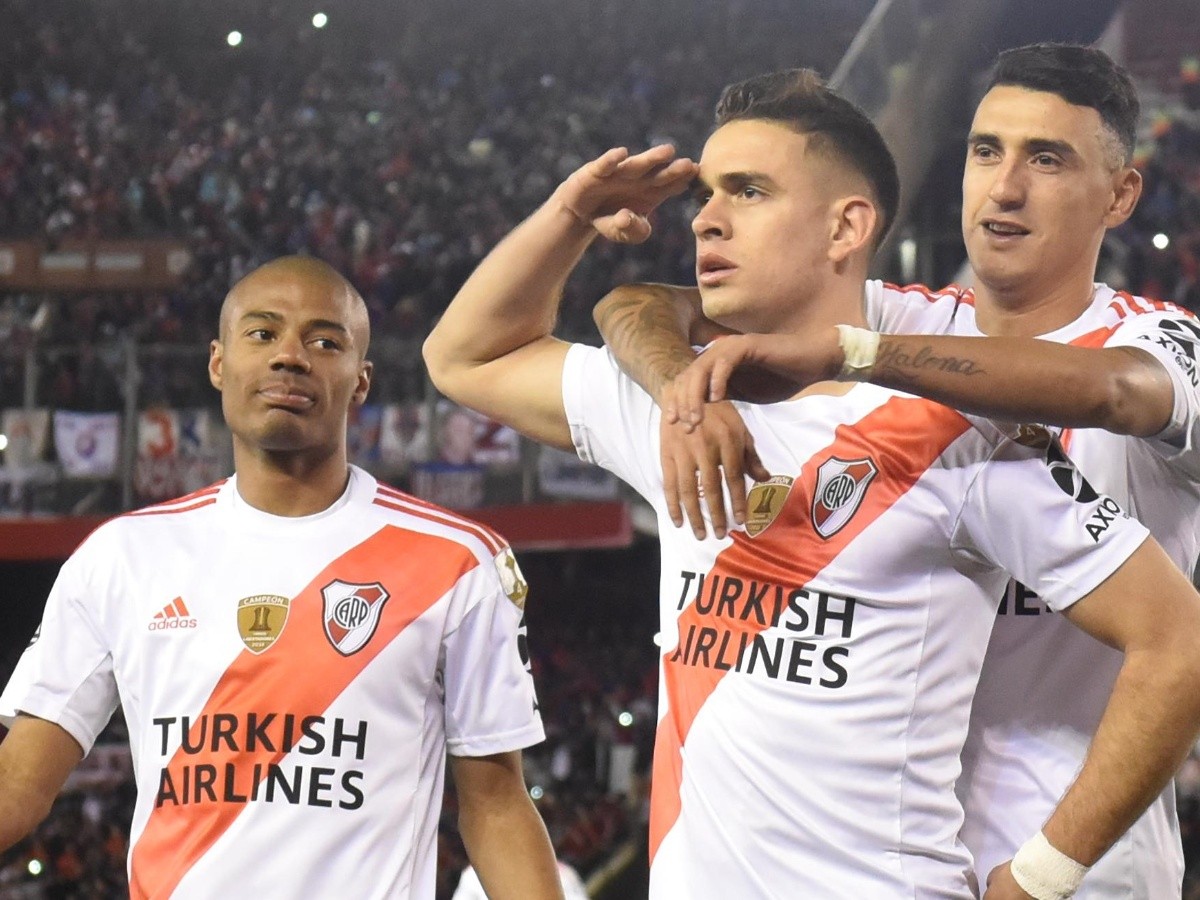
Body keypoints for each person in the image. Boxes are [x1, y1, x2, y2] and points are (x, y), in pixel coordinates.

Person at [422, 68, 1200, 899]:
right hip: (925, 836)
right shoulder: (903, 323)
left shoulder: (1043, 388)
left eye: (1045, 159)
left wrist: (1040, 878)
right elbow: (619, 310)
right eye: (984, 151)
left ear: (1120, 196)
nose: (1004, 186)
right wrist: (670, 378)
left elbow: (1115, 396)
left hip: (1079, 869)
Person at [0, 256, 563, 900]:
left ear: (360, 382)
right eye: (263, 334)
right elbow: (20, 779)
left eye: (325, 341)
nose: (290, 357)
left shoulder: (458, 561)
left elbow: (494, 806)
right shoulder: (122, 556)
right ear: (218, 363)